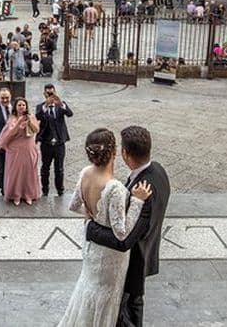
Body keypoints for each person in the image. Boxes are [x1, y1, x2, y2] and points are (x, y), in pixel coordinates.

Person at [59, 128, 152, 327]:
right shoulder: (115, 188)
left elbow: (73, 205)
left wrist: (91, 215)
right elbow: (121, 232)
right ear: (114, 152)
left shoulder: (85, 173)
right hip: (111, 259)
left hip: (92, 251)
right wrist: (137, 201)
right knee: (105, 299)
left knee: (88, 290)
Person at [85, 126, 172, 327]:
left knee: (124, 314)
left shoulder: (141, 191)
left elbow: (122, 241)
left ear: (125, 153)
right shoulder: (158, 170)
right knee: (134, 304)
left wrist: (90, 229)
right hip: (148, 251)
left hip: (133, 261)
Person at [0, 97, 41, 205]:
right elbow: (10, 133)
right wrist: (19, 123)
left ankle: (28, 195)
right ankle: (16, 195)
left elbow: (36, 130)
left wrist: (29, 122)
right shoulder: (12, 118)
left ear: (26, 106)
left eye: (23, 105)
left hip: (29, 147)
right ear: (15, 107)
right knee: (16, 173)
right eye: (19, 105)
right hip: (16, 149)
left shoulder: (31, 116)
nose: (21, 107)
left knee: (29, 172)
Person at [35, 83, 73, 196]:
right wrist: (46, 105)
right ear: (44, 93)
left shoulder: (60, 105)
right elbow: (37, 116)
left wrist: (60, 103)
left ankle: (60, 189)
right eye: (48, 93)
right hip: (46, 143)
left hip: (59, 143)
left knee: (59, 168)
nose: (50, 95)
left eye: (52, 92)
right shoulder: (41, 106)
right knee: (45, 167)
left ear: (55, 91)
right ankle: (45, 189)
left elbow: (70, 114)